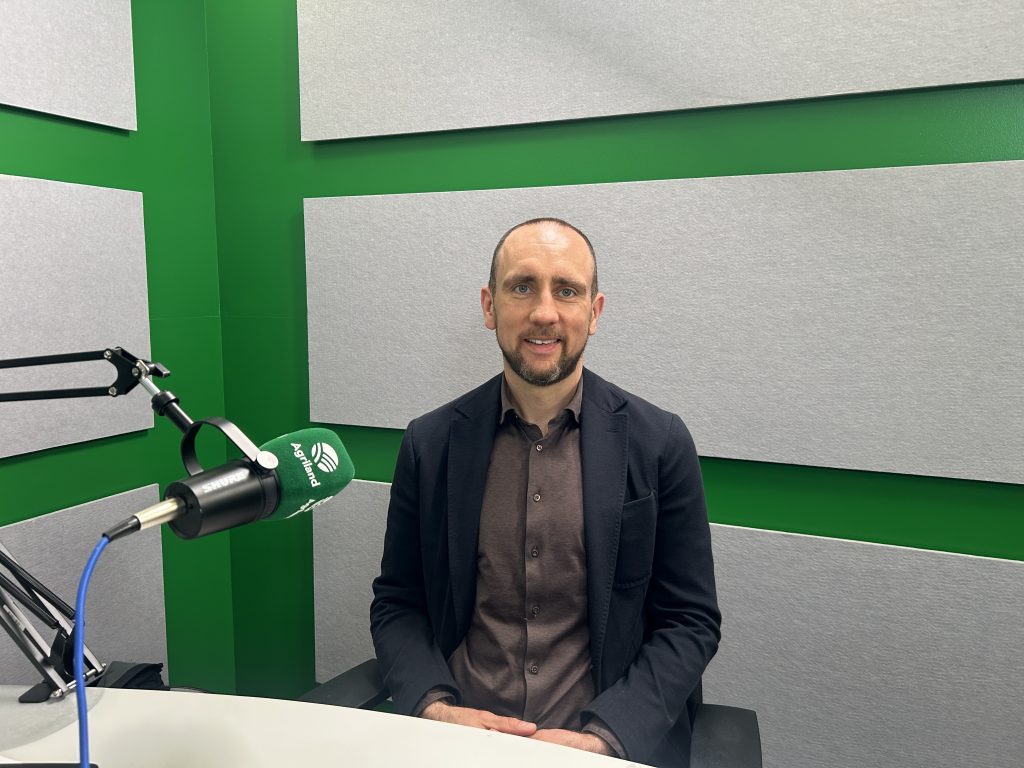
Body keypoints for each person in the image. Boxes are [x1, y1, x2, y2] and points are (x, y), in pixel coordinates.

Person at [370, 218, 721, 767]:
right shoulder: (430, 443)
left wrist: (602, 739)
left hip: (600, 748)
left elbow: (690, 621)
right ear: (489, 306)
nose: (544, 312)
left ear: (594, 313)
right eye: (522, 286)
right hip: (458, 742)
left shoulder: (659, 443)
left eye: (567, 291)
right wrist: (436, 709)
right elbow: (398, 603)